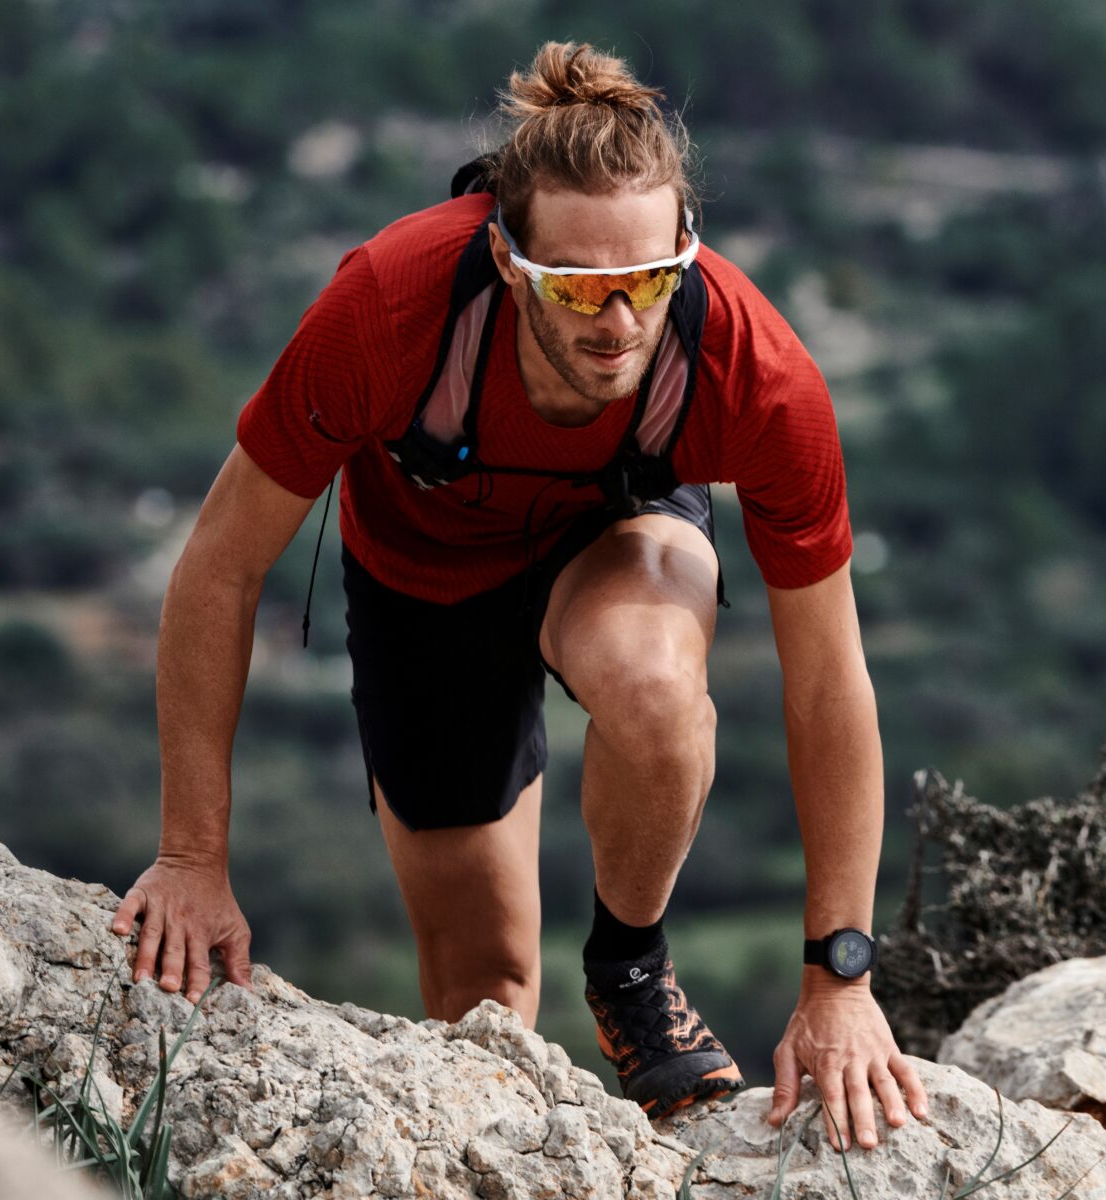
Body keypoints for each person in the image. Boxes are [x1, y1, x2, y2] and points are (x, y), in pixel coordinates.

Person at [110, 41, 929, 1146]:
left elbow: (830, 682)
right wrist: (192, 860)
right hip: (424, 579)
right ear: (506, 254)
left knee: (656, 691)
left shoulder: (756, 377)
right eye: (578, 286)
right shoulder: (391, 306)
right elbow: (220, 565)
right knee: (483, 1002)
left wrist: (840, 979)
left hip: (616, 537)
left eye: (651, 278)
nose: (618, 320)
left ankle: (629, 965)